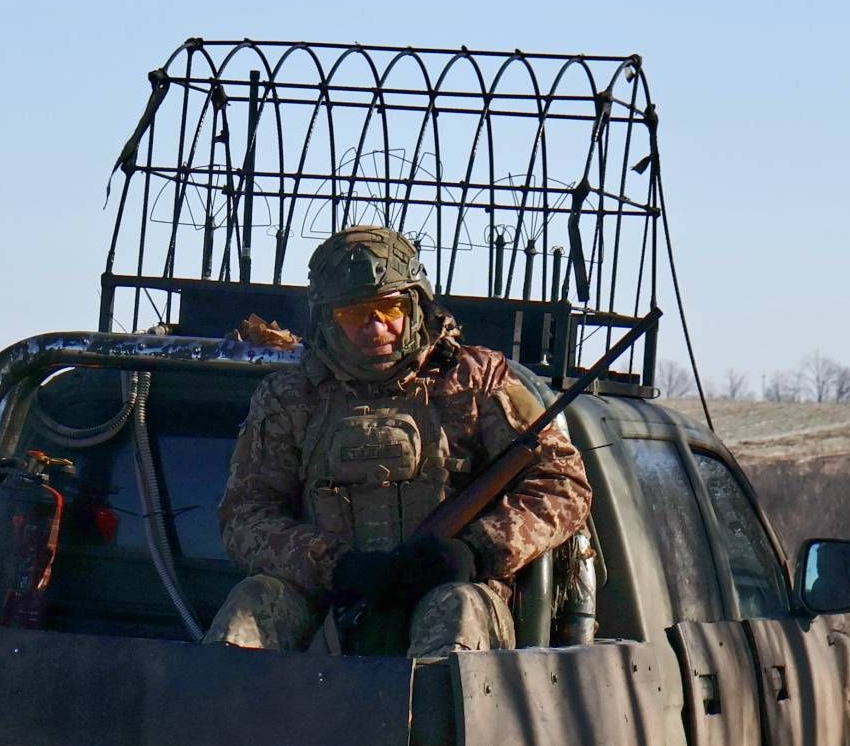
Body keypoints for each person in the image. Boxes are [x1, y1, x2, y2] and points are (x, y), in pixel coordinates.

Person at [205, 225, 592, 655]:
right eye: (353, 315)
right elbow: (244, 516)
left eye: (390, 308)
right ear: (327, 320)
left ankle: (433, 702)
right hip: (328, 602)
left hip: (456, 593)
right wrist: (334, 566)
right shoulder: (291, 396)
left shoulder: (477, 380)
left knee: (457, 610)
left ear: (415, 303)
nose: (375, 327)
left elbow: (563, 484)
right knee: (251, 606)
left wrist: (477, 551)